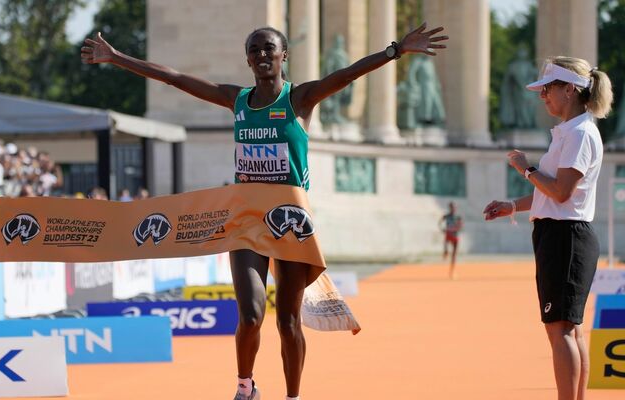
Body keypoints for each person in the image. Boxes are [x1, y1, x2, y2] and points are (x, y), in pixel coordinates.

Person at [82, 23, 447, 400]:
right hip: (246, 222)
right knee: (251, 315)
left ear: (283, 55)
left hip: (291, 222)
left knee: (288, 322)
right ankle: (246, 387)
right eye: (254, 50)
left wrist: (395, 51)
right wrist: (116, 57)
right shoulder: (236, 100)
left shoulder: (300, 99)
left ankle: (293, 396)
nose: (261, 55)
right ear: (247, 60)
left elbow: (346, 74)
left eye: (268, 48)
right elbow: (173, 78)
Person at [483, 56, 613, 400]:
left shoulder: (580, 133)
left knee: (561, 330)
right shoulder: (572, 132)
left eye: (547, 89)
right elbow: (553, 192)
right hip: (562, 235)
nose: (542, 96)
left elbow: (561, 191)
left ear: (569, 90)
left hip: (565, 237)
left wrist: (525, 169)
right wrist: (513, 205)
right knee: (569, 329)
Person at [439, 201, 462, 279]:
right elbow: (440, 222)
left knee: (454, 255)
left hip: (455, 236)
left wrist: (454, 229)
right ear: (450, 208)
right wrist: (442, 229)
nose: (453, 209)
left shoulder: (458, 217)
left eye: (454, 207)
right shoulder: (447, 216)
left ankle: (452, 271)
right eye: (451, 207)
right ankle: (445, 252)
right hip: (448, 235)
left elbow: (460, 226)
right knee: (446, 247)